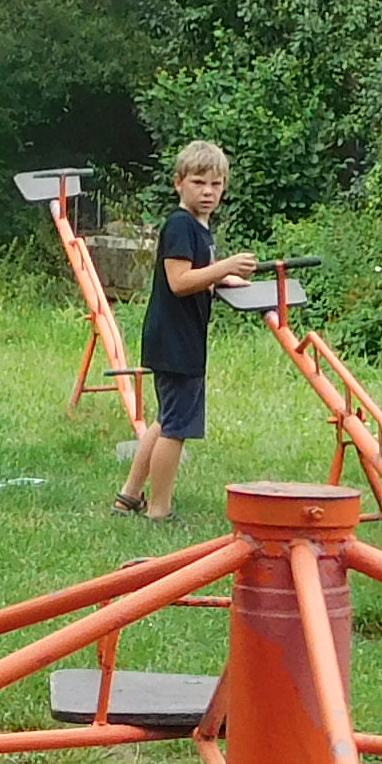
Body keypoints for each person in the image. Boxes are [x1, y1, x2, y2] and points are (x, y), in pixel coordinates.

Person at [113, 138, 257, 520]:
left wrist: (222, 278)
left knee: (166, 419)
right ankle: (159, 510)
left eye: (216, 184)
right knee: (175, 428)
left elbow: (197, 273)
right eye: (198, 182)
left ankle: (129, 496)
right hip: (175, 341)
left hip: (177, 338)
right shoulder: (180, 225)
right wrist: (225, 266)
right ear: (178, 182)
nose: (208, 192)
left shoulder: (199, 228)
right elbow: (179, 281)